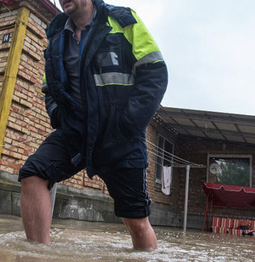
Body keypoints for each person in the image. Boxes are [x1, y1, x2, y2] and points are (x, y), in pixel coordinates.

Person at [18, 0, 167, 251]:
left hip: (120, 134)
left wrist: (128, 123)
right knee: (33, 174)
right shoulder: (55, 34)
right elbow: (49, 88)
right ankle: (36, 255)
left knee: (136, 221)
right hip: (75, 131)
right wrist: (58, 116)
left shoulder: (122, 20)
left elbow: (155, 73)